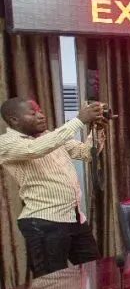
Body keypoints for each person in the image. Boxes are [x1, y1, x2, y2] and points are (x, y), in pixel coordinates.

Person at [0, 97, 105, 276]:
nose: (41, 116)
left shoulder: (50, 137)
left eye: (40, 111)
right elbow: (35, 149)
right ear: (14, 120)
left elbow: (86, 153)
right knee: (52, 283)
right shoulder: (5, 143)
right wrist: (79, 120)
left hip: (74, 218)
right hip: (44, 223)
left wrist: (98, 130)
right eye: (33, 113)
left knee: (96, 273)